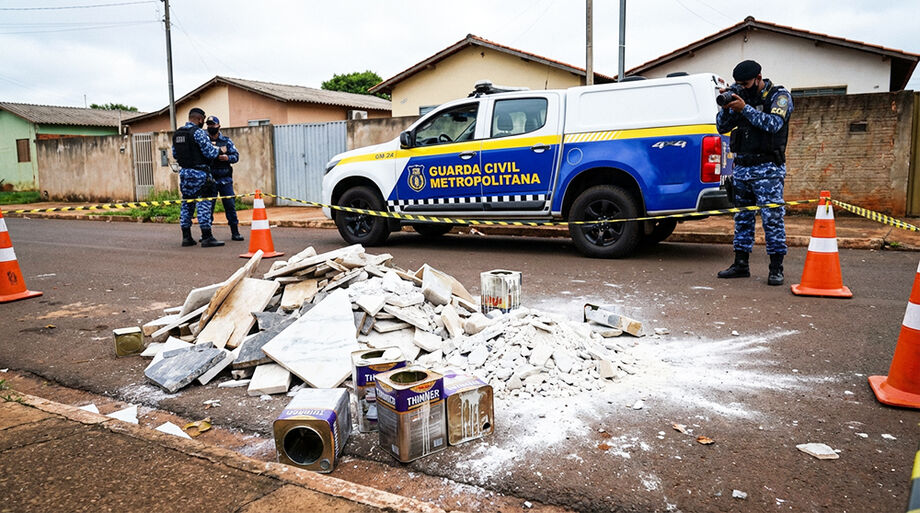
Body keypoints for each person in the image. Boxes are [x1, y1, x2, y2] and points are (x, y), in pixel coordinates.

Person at [716, 60, 793, 286]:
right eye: (738, 84)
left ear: (758, 78)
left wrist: (745, 109)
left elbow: (774, 124)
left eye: (746, 84)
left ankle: (776, 268)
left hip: (768, 169)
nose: (742, 87)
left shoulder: (778, 96)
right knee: (742, 218)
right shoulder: (740, 98)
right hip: (742, 168)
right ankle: (741, 264)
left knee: (772, 219)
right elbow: (721, 127)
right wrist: (726, 108)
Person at [172, 107, 225, 247]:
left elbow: (175, 154)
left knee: (187, 204)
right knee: (204, 203)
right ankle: (207, 237)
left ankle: (186, 237)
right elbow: (209, 153)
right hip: (200, 173)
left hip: (184, 174)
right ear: (200, 119)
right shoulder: (198, 133)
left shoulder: (177, 134)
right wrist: (219, 150)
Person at [205, 116, 243, 241]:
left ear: (218, 126)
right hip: (210, 179)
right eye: (209, 125)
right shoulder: (204, 141)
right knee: (208, 207)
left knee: (230, 205)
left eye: (213, 125)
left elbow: (236, 156)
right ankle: (206, 234)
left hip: (224, 178)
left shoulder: (226, 141)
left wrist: (227, 158)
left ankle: (235, 232)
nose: (211, 127)